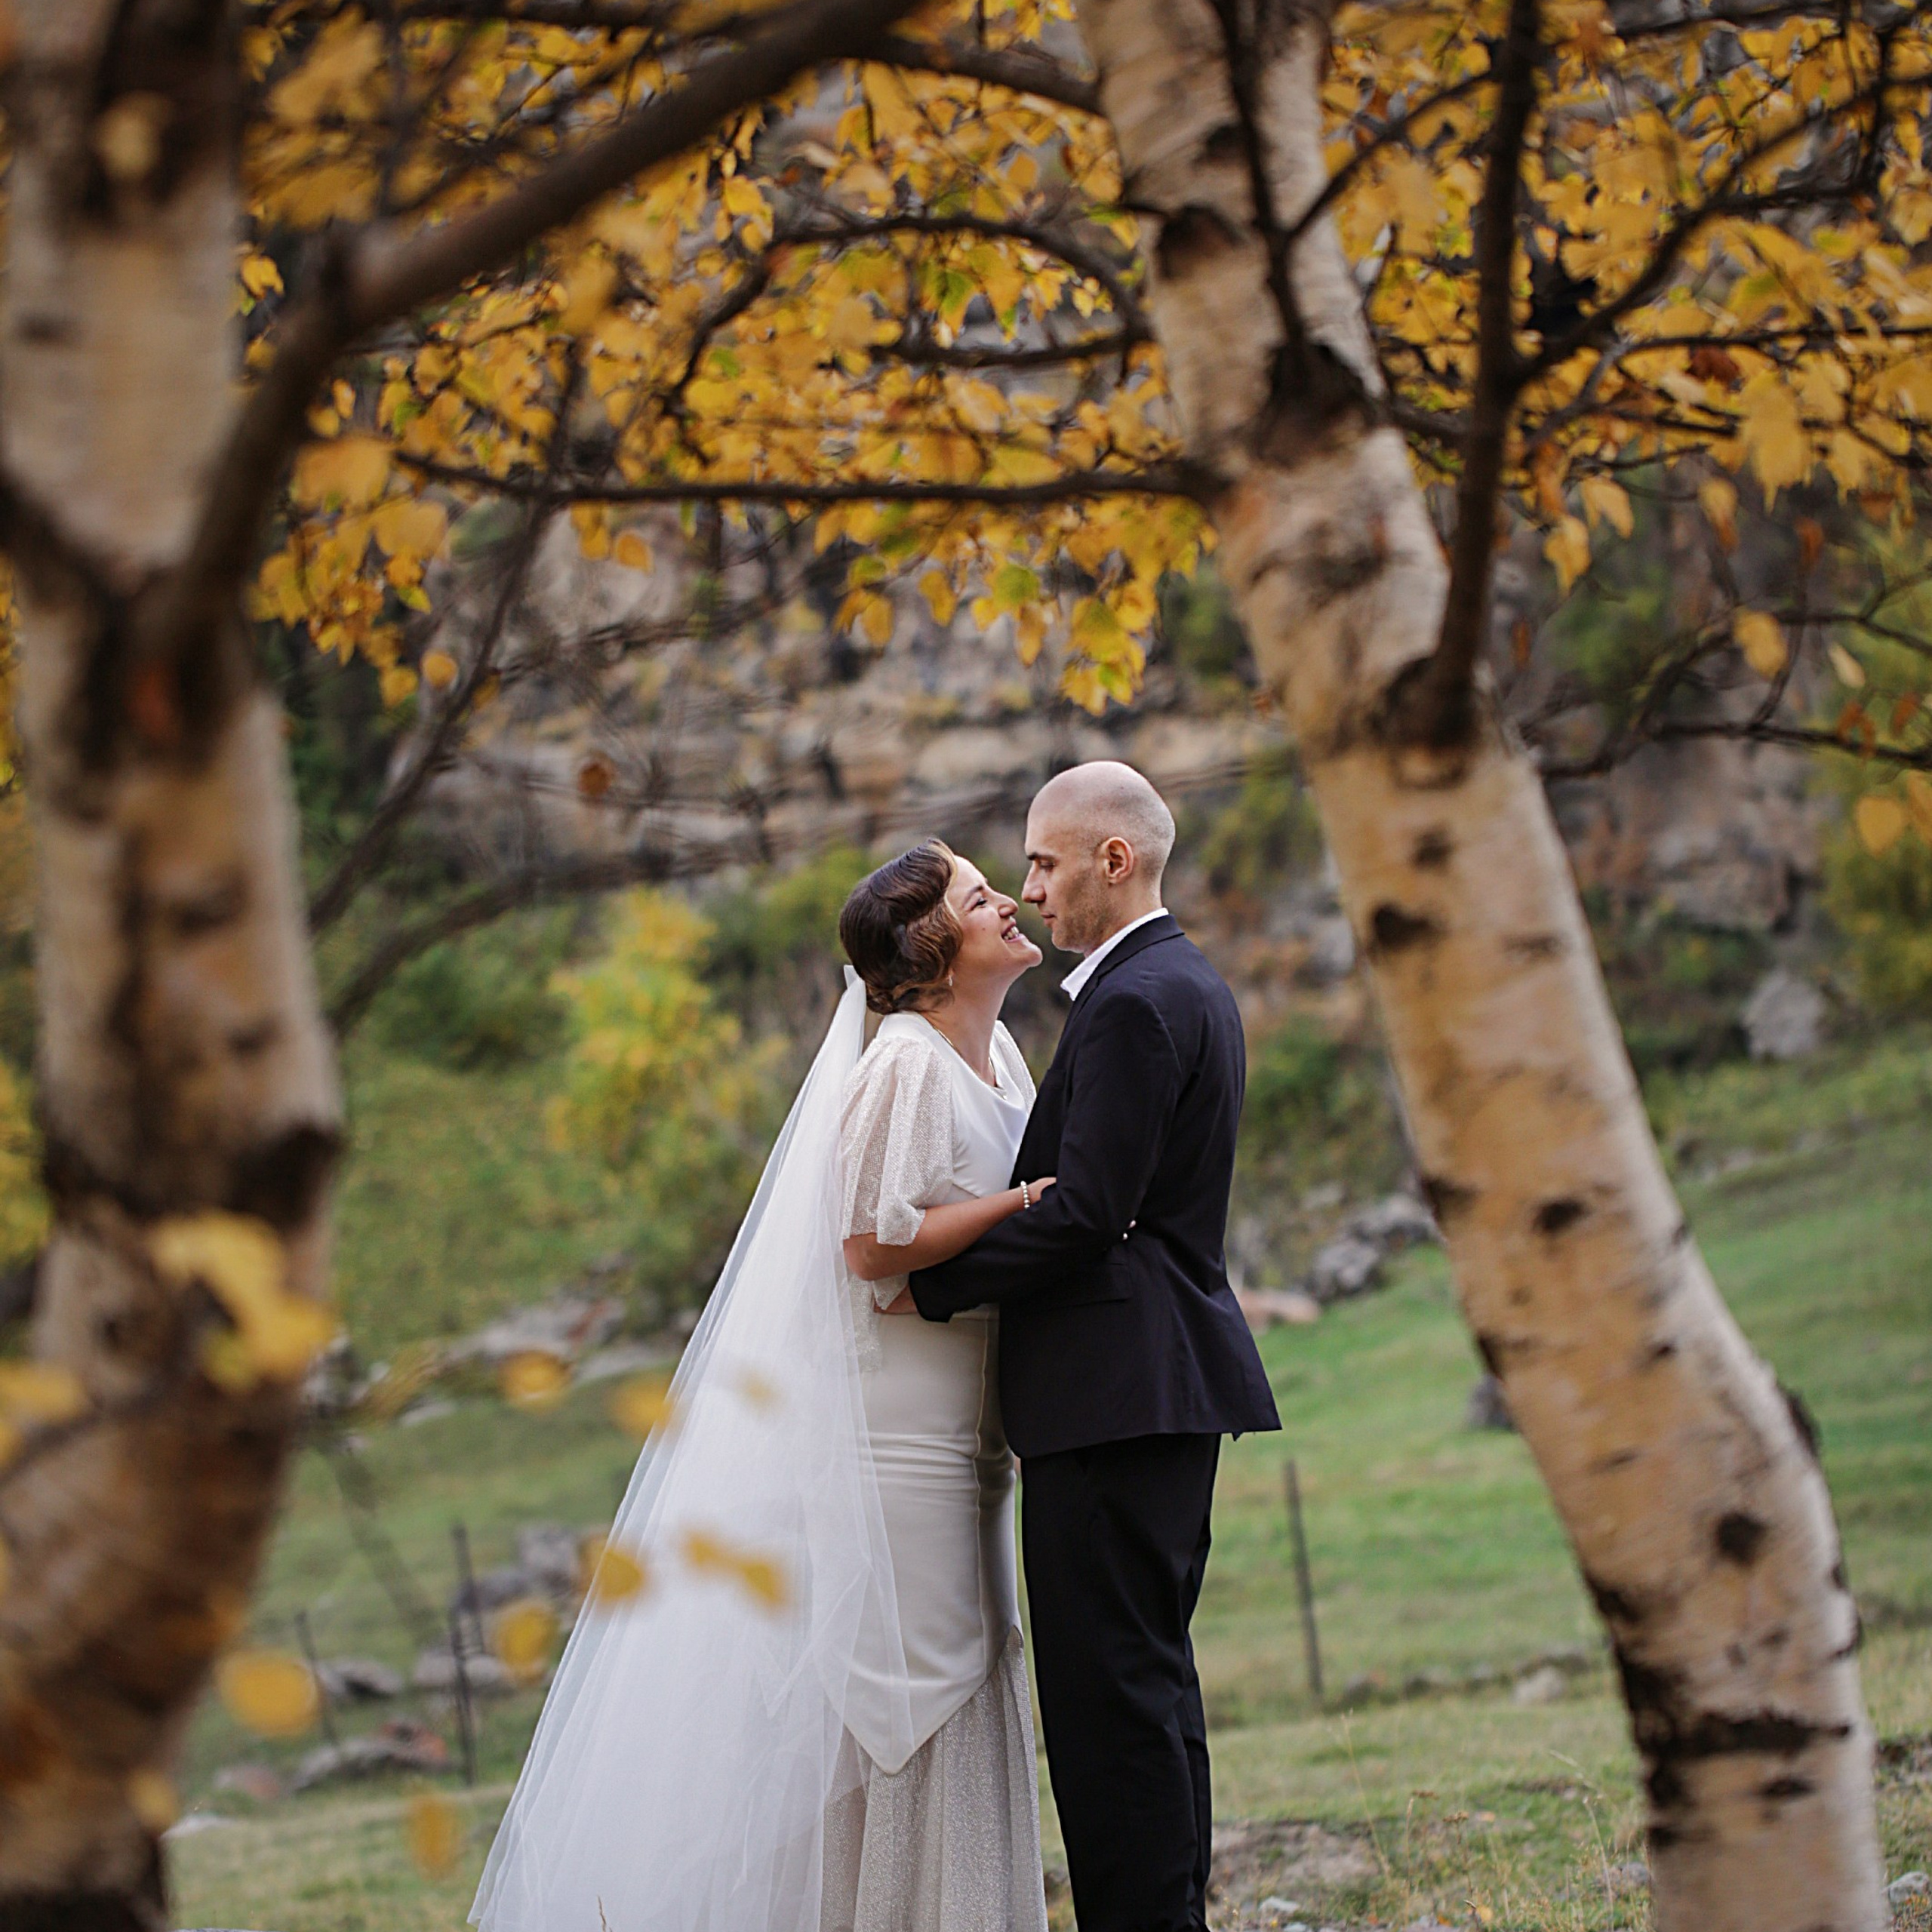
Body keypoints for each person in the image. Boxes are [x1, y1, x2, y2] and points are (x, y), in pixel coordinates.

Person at [471, 840, 1054, 1932]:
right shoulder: (905, 1066)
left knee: (973, 1663)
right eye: (983, 898)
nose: (1011, 903)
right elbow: (871, 1243)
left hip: (970, 1446)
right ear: (935, 949)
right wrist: (1022, 1208)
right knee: (918, 1690)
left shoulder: (1002, 1057)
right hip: (900, 1452)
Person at [910, 761, 1282, 1932]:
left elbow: (1089, 1209)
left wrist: (934, 1286)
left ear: (1113, 861)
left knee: (1106, 1702)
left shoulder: (1129, 1000)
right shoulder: (1187, 985)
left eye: (1045, 862)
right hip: (1156, 1388)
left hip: (1116, 1395)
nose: (1030, 890)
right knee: (1149, 1689)